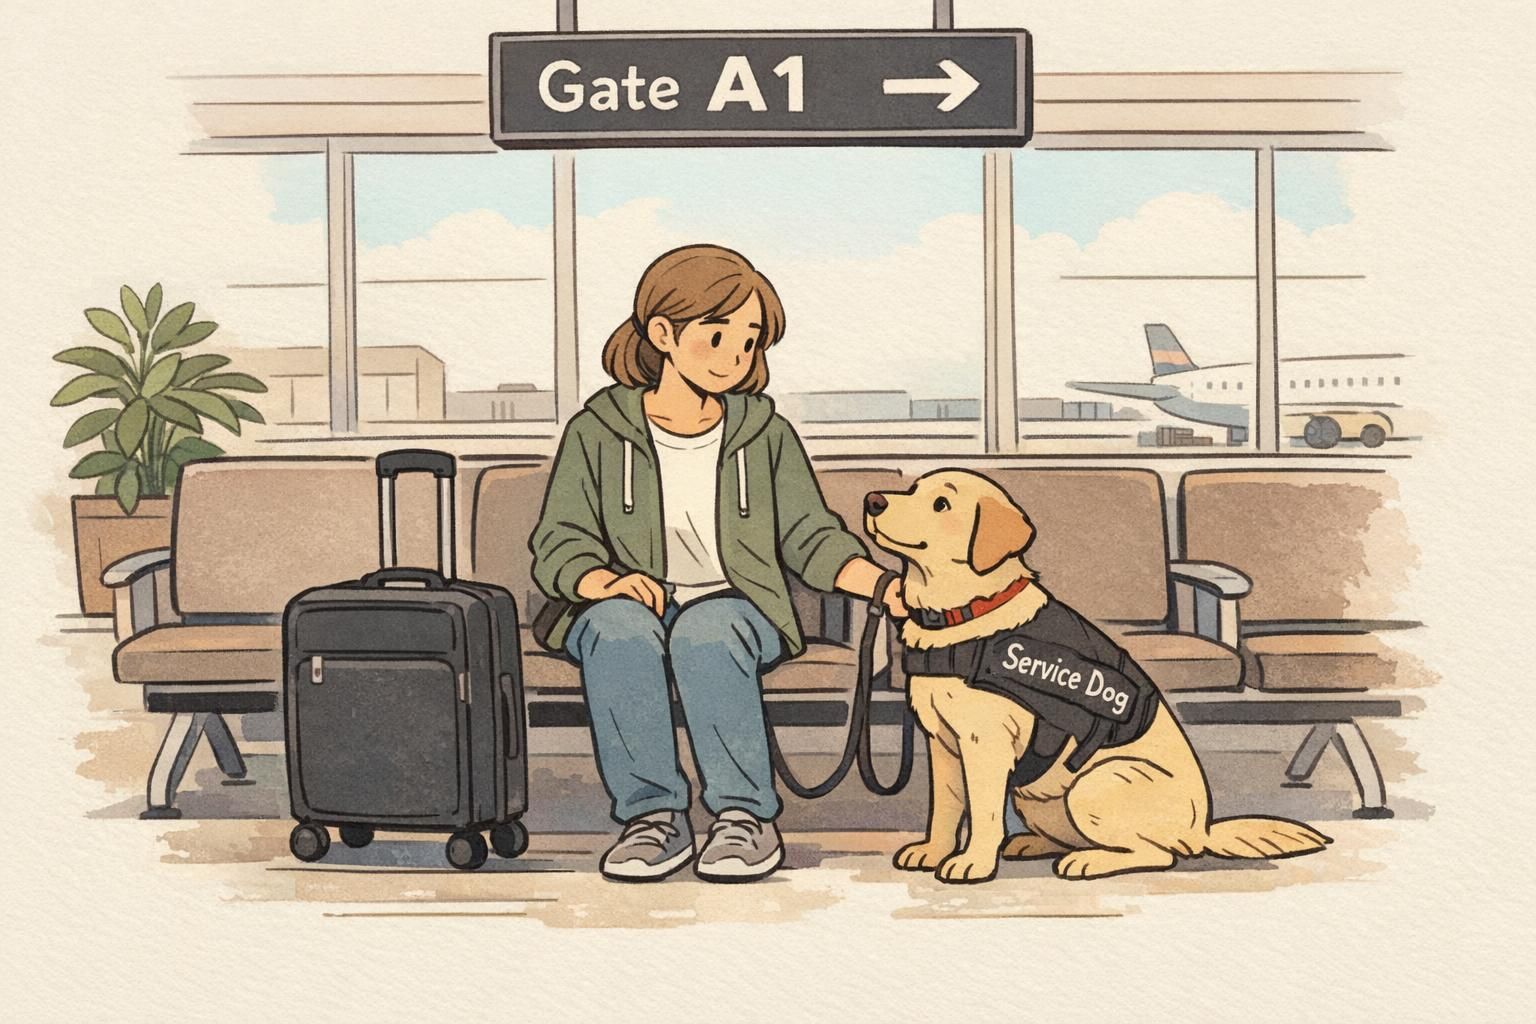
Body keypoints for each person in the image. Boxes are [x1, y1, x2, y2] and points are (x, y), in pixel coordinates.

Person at [530, 244, 904, 883]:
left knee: (707, 631)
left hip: (738, 607)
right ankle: (652, 819)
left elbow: (811, 535)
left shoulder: (767, 434)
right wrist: (606, 582)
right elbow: (559, 542)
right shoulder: (597, 430)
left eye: (752, 338)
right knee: (617, 630)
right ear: (663, 334)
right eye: (719, 333)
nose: (737, 353)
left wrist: (879, 585)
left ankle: (743, 818)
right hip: (629, 602)